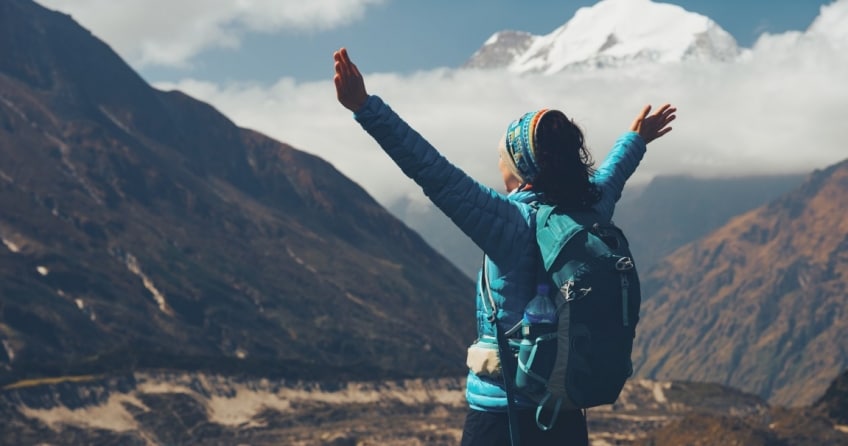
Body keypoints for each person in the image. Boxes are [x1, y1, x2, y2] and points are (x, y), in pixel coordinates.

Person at [333, 47, 676, 446]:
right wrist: (636, 139)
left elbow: (433, 172)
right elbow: (612, 175)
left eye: (501, 155)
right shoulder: (590, 209)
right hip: (565, 410)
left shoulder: (506, 222)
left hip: (503, 416)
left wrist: (365, 107)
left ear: (520, 164)